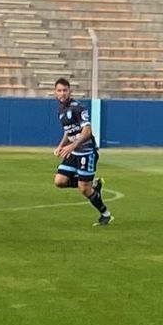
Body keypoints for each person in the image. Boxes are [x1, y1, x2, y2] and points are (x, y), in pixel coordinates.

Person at [52, 77, 112, 226]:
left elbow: (87, 131)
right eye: (59, 90)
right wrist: (61, 146)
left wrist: (72, 146)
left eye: (65, 90)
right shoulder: (61, 109)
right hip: (74, 152)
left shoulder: (78, 108)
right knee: (59, 181)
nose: (62, 93)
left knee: (84, 189)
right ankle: (93, 183)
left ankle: (105, 214)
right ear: (55, 92)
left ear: (70, 91)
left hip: (86, 151)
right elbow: (69, 131)